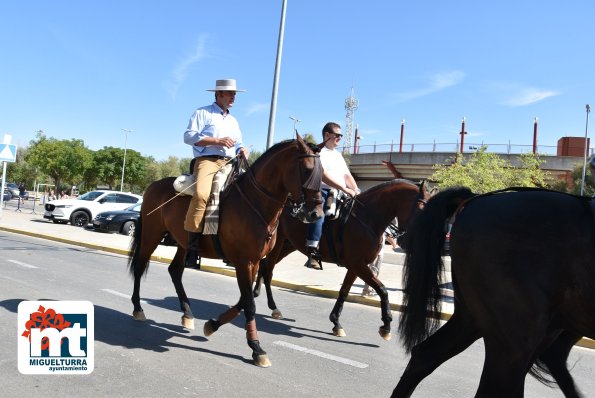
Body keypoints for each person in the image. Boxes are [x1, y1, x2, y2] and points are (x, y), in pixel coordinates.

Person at [183, 78, 249, 268]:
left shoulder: (234, 120)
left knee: (242, 197)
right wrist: (217, 141)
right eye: (230, 93)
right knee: (202, 195)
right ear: (218, 94)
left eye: (234, 94)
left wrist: (243, 150)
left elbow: (239, 143)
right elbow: (188, 136)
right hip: (208, 161)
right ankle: (192, 247)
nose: (233, 97)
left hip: (230, 162)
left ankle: (231, 245)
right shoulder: (202, 112)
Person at [304, 122, 360, 270]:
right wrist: (344, 188)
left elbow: (346, 174)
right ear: (327, 135)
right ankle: (313, 252)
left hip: (340, 192)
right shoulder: (317, 151)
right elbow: (323, 175)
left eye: (341, 135)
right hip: (322, 191)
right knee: (319, 215)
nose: (340, 138)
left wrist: (356, 189)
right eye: (337, 135)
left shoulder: (338, 155)